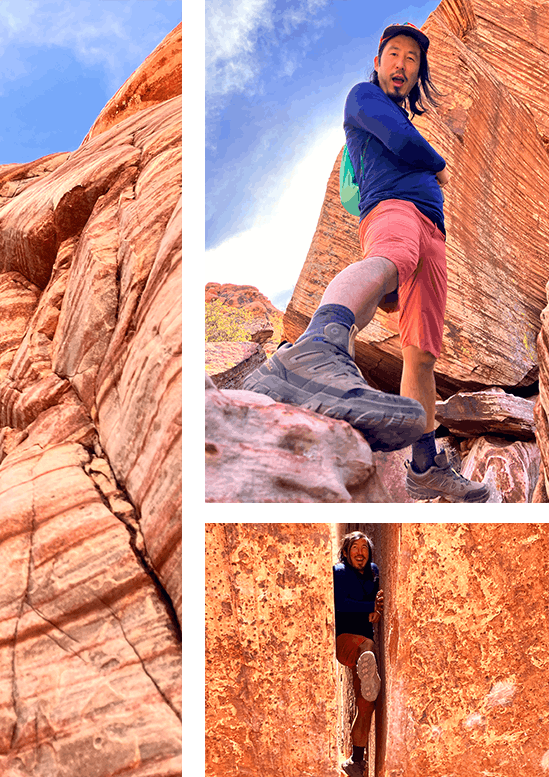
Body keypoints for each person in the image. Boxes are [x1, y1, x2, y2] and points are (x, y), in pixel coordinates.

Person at [244, 22, 489, 503]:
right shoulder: (363, 97)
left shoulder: (401, 112)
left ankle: (424, 466)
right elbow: (400, 142)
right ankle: (318, 342)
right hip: (391, 207)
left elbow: (406, 135)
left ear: (418, 74)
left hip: (433, 228)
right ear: (377, 63)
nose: (401, 64)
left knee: (422, 352)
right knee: (390, 257)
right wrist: (438, 165)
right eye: (393, 54)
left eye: (412, 59)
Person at [334, 531, 384, 777]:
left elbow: (376, 602)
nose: (360, 552)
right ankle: (369, 674)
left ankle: (356, 761)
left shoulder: (373, 572)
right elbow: (341, 603)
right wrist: (371, 607)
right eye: (355, 548)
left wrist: (376, 608)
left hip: (366, 648)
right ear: (345, 552)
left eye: (364, 547)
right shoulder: (339, 572)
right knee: (367, 646)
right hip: (345, 641)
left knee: (366, 706)